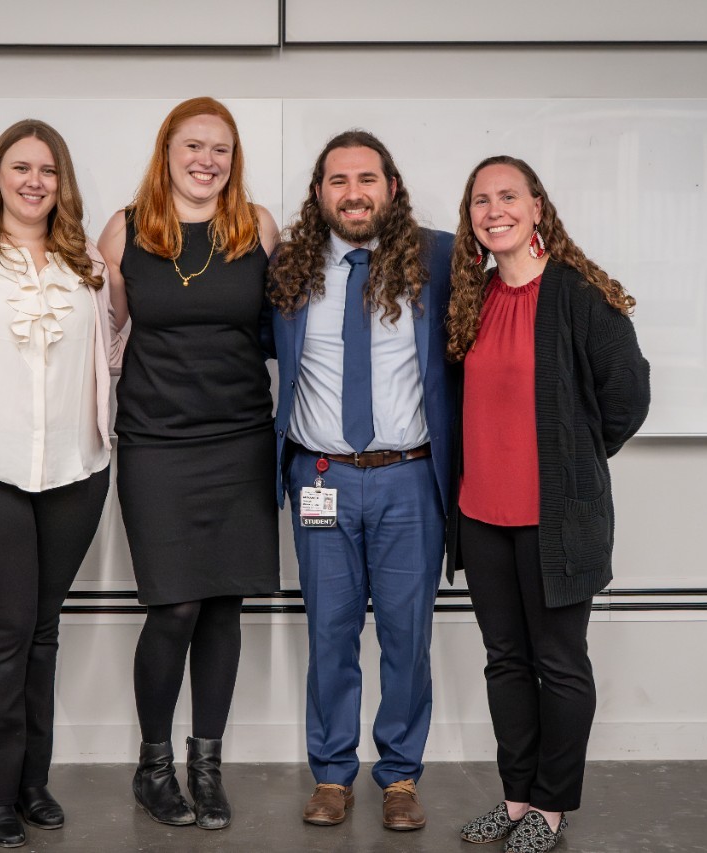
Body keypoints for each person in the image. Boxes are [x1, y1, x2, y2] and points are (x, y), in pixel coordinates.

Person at [0, 119, 123, 848]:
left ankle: (34, 780)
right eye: (21, 167)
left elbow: (113, 343)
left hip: (75, 468)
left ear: (61, 182)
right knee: (5, 628)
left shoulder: (88, 264)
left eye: (48, 169)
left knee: (42, 629)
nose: (35, 180)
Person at [445, 155, 650, 853]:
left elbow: (627, 395)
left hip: (555, 521)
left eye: (508, 196)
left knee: (559, 662)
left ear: (537, 207)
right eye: (480, 200)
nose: (493, 209)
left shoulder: (576, 293)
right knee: (505, 660)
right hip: (480, 518)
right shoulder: (471, 295)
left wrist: (576, 466)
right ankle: (516, 797)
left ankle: (553, 807)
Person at [96, 96, 280, 831]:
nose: (207, 161)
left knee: (225, 604)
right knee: (173, 606)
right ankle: (153, 765)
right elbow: (102, 337)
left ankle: (207, 765)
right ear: (166, 150)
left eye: (222, 150)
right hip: (156, 443)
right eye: (194, 146)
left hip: (240, 439)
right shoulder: (125, 229)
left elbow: (283, 329)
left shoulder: (258, 226)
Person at [267, 130, 456, 832]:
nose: (354, 192)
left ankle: (401, 775)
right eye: (338, 180)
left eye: (367, 178)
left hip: (409, 480)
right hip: (321, 478)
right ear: (319, 193)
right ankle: (332, 773)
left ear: (391, 188)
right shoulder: (289, 266)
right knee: (331, 632)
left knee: (407, 635)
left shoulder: (438, 257)